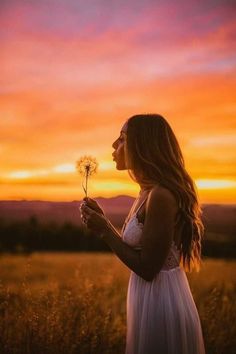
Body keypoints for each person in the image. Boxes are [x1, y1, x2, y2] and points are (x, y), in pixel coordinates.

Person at [80, 114, 205, 354]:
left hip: (161, 305)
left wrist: (105, 230)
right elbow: (140, 249)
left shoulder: (160, 196)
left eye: (123, 138)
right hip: (149, 300)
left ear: (142, 145)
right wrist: (104, 220)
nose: (114, 145)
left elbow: (148, 268)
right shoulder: (146, 193)